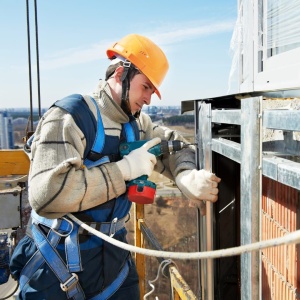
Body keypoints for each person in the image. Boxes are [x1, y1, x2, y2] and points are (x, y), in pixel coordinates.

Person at [10, 33, 221, 299]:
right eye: (145, 87)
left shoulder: (135, 124)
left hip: (112, 260)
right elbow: (46, 195)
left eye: (152, 91)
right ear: (121, 74)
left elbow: (173, 145)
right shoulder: (69, 116)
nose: (148, 99)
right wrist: (124, 171)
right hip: (55, 260)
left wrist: (185, 175)